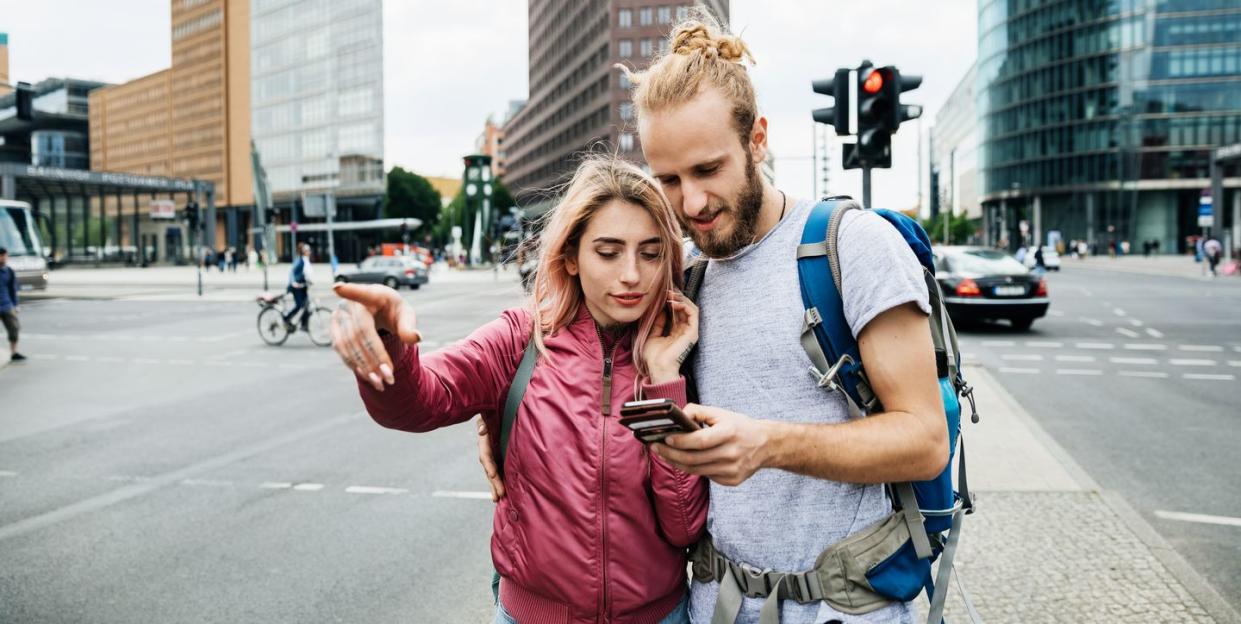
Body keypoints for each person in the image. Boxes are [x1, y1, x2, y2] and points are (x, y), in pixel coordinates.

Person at [483, 16, 947, 624]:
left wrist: (769, 444)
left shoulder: (850, 248)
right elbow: (581, 361)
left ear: (757, 139)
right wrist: (503, 417)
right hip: (713, 606)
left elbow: (925, 440)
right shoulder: (683, 279)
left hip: (843, 610)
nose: (691, 203)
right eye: (668, 179)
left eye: (708, 170)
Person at [331, 158, 708, 624]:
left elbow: (684, 526)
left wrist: (664, 378)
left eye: (650, 254)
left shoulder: (687, 345)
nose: (631, 275)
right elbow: (416, 403)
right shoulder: (520, 340)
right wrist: (387, 338)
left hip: (659, 616)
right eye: (608, 252)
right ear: (570, 256)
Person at [0, 248, 26, 362]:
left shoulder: (9, 271)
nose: (5, 258)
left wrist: (15, 305)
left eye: (6, 256)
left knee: (14, 328)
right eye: (3, 256)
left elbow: (12, 289)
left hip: (7, 305)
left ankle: (13, 352)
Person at [283, 243, 314, 331]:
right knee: (299, 305)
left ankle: (304, 325)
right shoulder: (299, 260)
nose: (309, 252)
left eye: (309, 250)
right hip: (296, 287)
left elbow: (307, 273)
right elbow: (292, 272)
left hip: (303, 286)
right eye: (307, 250)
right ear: (303, 252)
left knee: (307, 305)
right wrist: (293, 282)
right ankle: (286, 319)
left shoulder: (306, 260)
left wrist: (310, 281)